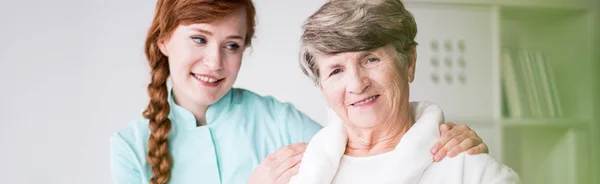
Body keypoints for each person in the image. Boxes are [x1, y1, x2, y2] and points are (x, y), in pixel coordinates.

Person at [110, 0, 490, 183]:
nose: (214, 62)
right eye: (199, 39)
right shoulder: (129, 146)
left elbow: (365, 140)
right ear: (162, 41)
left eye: (232, 45)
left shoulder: (277, 119)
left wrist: (436, 135)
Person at [289, 0, 520, 183]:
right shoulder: (300, 172)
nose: (357, 85)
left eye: (370, 59)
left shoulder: (469, 170)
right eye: (336, 71)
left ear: (409, 62)